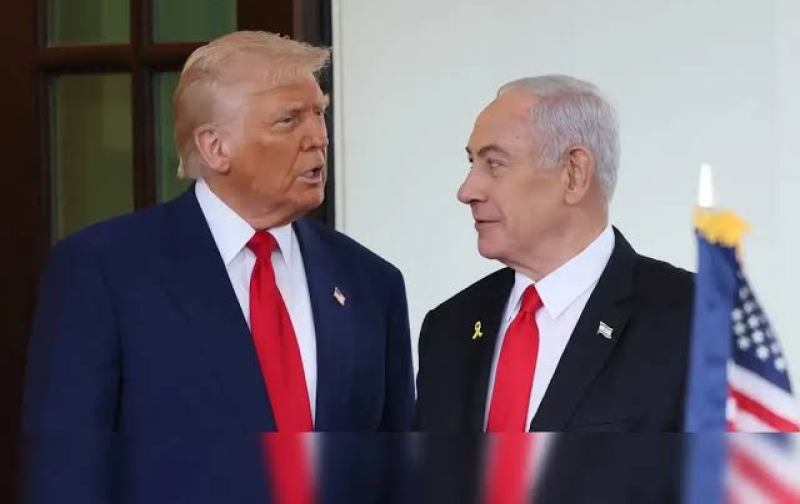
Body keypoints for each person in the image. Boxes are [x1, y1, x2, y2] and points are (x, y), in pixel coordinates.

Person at [22, 31, 414, 503]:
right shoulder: (104, 270)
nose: (318, 137)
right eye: (289, 120)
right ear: (215, 147)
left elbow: (396, 473)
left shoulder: (370, 282)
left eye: (319, 113)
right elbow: (66, 473)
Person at [415, 74, 693, 432]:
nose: (467, 190)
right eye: (472, 163)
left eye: (494, 164)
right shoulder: (448, 328)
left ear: (573, 174)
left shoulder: (692, 319)